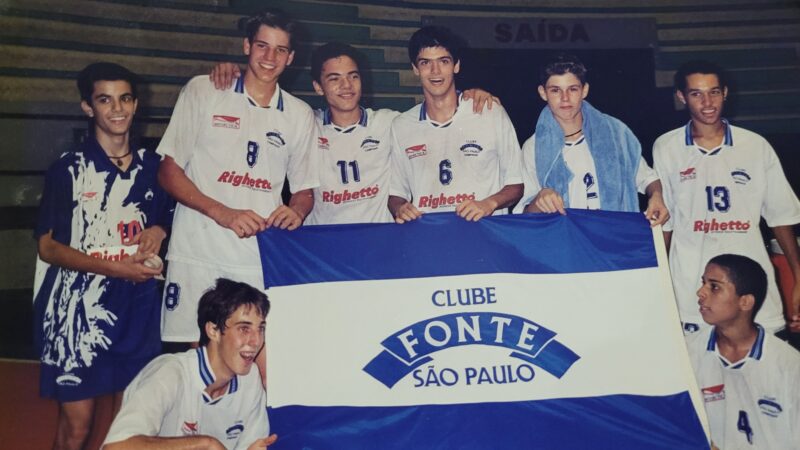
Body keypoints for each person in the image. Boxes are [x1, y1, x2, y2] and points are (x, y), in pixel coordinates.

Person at [157, 10, 319, 347]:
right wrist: (224, 214)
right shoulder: (204, 90)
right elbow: (169, 172)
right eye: (262, 45)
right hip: (197, 250)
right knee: (196, 359)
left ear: (291, 58)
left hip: (256, 256)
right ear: (247, 46)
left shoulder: (299, 114)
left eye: (279, 50)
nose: (269, 57)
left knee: (255, 355)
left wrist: (297, 211)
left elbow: (304, 191)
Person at [33, 62, 173, 450]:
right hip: (77, 313)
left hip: (138, 311)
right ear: (87, 107)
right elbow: (48, 246)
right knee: (77, 429)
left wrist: (160, 230)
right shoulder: (68, 168)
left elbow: (166, 218)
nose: (117, 109)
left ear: (136, 103)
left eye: (124, 98)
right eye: (104, 99)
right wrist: (113, 267)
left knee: (128, 429)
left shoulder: (155, 167)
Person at [209, 42, 499, 225]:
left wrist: (469, 94)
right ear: (318, 87)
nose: (346, 86)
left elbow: (436, 110)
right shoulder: (303, 123)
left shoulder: (389, 124)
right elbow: (261, 103)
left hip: (380, 245)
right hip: (324, 246)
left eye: (353, 77)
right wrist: (233, 70)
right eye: (334, 79)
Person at [653, 60, 800, 335]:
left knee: (762, 373)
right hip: (691, 289)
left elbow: (782, 217)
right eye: (696, 93)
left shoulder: (755, 146)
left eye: (714, 92)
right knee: (702, 377)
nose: (707, 102)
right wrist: (656, 284)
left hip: (750, 286)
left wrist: (799, 276)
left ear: (725, 93)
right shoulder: (666, 147)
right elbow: (666, 224)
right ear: (681, 97)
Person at [103, 279, 276, 449]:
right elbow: (116, 446)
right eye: (244, 328)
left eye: (260, 329)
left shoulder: (250, 378)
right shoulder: (169, 373)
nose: (256, 341)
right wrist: (204, 443)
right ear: (213, 331)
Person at [388, 26, 523, 224]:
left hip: (483, 233)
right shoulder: (401, 126)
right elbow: (396, 193)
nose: (435, 71)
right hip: (430, 236)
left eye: (444, 61)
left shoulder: (490, 112)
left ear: (456, 65)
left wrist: (488, 204)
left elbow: (516, 184)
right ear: (415, 69)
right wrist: (400, 208)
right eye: (425, 62)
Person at [516, 54, 669, 228]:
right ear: (543, 93)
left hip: (614, 237)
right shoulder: (533, 147)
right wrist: (540, 199)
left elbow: (647, 178)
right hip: (567, 242)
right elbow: (525, 213)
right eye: (555, 90)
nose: (565, 98)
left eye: (572, 89)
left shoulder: (615, 133)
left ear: (584, 90)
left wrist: (656, 196)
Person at [686, 254, 800, 449]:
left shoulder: (788, 364)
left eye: (714, 286)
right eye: (703, 283)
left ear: (745, 302)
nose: (700, 292)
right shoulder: (687, 353)